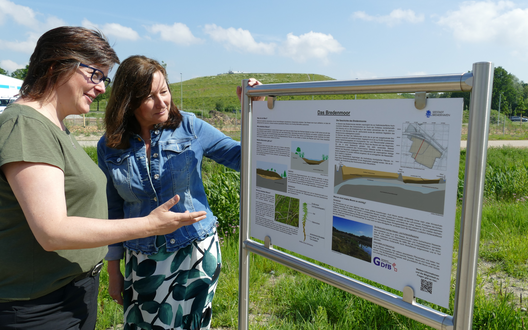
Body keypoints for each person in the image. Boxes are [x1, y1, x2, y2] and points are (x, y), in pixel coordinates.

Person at [0, 27, 206, 330]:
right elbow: (52, 231)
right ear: (56, 66)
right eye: (94, 75)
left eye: (104, 79)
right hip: (39, 307)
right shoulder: (25, 126)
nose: (101, 88)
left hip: (66, 294)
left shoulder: (53, 126)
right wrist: (149, 225)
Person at [98, 55, 263, 330]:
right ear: (128, 101)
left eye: (164, 91)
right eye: (149, 96)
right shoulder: (110, 145)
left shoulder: (191, 127)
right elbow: (113, 210)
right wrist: (114, 272)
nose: (162, 102)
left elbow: (242, 158)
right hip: (142, 258)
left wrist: (256, 112)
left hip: (194, 251)